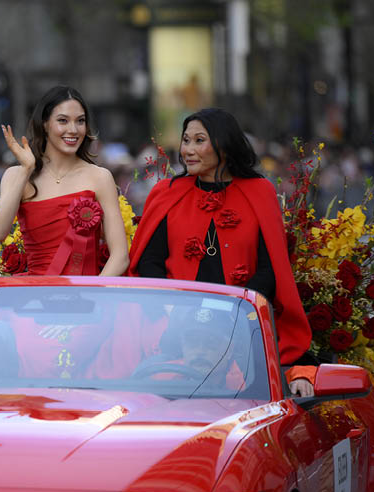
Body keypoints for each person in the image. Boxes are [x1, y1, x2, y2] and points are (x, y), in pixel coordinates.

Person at [127, 108, 313, 396]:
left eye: (198, 140)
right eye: (186, 140)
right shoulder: (167, 192)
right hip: (173, 330)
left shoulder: (259, 192)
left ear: (224, 145)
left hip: (243, 326)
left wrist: (236, 312)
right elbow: (149, 263)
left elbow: (270, 268)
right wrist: (173, 308)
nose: (188, 150)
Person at [0, 85, 128, 276]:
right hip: (36, 299)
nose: (73, 130)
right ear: (44, 124)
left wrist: (94, 293)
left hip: (88, 299)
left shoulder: (100, 177)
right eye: (63, 120)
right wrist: (26, 170)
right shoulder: (16, 175)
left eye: (80, 121)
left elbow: (120, 256)